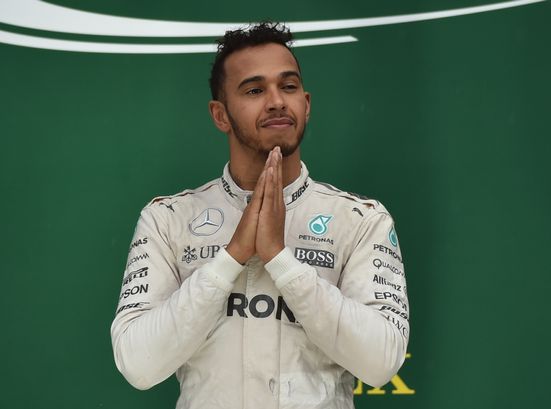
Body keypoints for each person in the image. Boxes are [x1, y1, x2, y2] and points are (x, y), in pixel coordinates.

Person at [111, 21, 409, 409]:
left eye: (288, 86)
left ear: (306, 104)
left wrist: (282, 262)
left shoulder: (362, 220)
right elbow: (138, 364)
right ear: (220, 115)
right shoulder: (167, 219)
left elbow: (381, 362)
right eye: (254, 90)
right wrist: (231, 257)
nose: (276, 101)